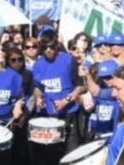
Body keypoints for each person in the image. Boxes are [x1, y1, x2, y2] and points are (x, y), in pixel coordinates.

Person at [32, 30, 86, 161]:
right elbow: (37, 87)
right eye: (45, 47)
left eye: (51, 46)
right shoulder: (38, 64)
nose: (48, 50)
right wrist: (38, 98)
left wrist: (66, 100)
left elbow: (81, 86)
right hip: (49, 116)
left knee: (70, 156)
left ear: (57, 45)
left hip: (68, 113)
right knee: (51, 156)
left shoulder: (69, 60)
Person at [88, 60, 121, 138]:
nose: (105, 80)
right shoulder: (100, 87)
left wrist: (87, 76)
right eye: (103, 77)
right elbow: (89, 107)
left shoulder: (118, 92)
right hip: (99, 134)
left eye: (109, 77)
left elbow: (96, 92)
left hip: (114, 135)